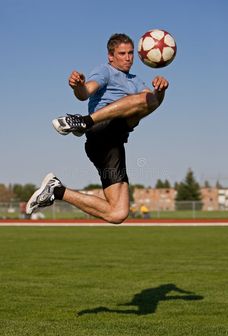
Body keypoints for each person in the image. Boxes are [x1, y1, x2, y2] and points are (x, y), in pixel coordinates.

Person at [26, 33, 169, 224]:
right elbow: (85, 93)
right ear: (111, 56)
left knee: (117, 213)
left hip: (111, 143)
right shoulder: (106, 71)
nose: (128, 58)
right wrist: (78, 86)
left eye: (131, 53)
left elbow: (152, 103)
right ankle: (84, 121)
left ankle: (56, 190)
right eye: (122, 53)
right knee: (142, 101)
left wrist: (160, 92)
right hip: (101, 129)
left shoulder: (136, 81)